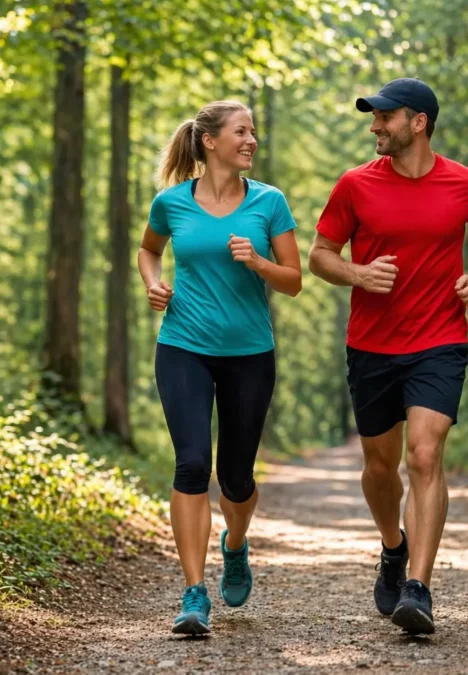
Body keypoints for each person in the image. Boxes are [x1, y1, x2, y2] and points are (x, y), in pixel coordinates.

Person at [308, 78, 468, 635]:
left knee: (424, 456)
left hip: (440, 341)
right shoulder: (354, 185)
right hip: (371, 345)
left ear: (417, 122)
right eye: (373, 117)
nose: (374, 126)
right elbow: (320, 256)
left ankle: (418, 589)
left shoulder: (466, 183)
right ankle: (393, 547)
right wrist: (357, 272)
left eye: (384, 117)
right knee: (380, 466)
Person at [138, 100, 302, 635]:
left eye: (253, 131)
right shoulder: (171, 203)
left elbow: (294, 279)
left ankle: (235, 544)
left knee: (235, 478)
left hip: (250, 353)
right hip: (183, 345)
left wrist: (258, 262)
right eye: (241, 131)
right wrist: (153, 283)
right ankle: (193, 594)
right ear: (209, 141)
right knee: (190, 465)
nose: (251, 139)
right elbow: (148, 251)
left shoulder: (269, 202)